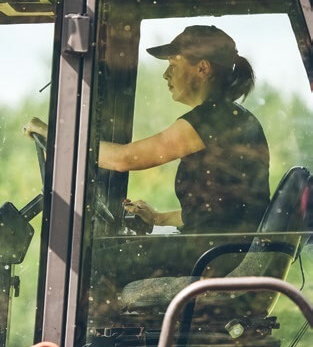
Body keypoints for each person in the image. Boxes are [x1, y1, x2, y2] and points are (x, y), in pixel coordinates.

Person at [25, 25, 270, 235]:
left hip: (217, 257)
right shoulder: (228, 117)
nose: (165, 74)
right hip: (222, 251)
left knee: (104, 270)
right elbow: (221, 212)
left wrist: (55, 133)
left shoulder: (211, 120)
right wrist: (158, 218)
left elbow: (124, 158)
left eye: (173, 64)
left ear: (203, 68)